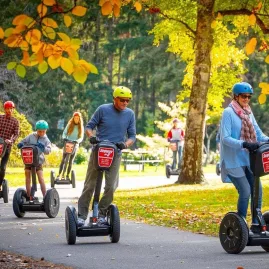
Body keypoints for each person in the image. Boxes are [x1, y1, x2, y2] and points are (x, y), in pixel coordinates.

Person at [77, 86, 136, 227]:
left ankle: (102, 214)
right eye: (122, 100)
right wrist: (91, 137)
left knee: (111, 186)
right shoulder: (103, 109)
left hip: (115, 153)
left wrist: (125, 144)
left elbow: (132, 136)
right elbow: (89, 127)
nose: (125, 103)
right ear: (115, 99)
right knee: (89, 185)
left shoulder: (130, 114)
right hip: (99, 150)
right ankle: (81, 216)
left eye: (128, 100)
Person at [220, 82, 269, 230]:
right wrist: (245, 144)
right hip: (233, 161)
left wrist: (267, 139)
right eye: (243, 96)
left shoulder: (248, 112)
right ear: (236, 96)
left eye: (249, 97)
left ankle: (256, 224)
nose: (246, 99)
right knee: (246, 191)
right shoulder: (228, 113)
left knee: (257, 192)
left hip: (249, 160)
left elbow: (258, 134)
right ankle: (239, 226)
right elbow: (225, 138)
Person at [17, 120, 51, 201]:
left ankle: (45, 197)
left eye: (43, 131)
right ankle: (29, 196)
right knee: (27, 177)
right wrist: (20, 144)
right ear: (36, 130)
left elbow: (48, 150)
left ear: (46, 130)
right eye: (40, 131)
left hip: (38, 162)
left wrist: (43, 148)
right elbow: (23, 142)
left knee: (41, 178)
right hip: (29, 160)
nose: (42, 133)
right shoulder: (31, 136)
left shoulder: (46, 139)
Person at [57, 112, 84, 180]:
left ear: (79, 119)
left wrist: (77, 141)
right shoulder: (69, 124)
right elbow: (64, 133)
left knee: (71, 160)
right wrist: (64, 138)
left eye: (77, 118)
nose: (76, 119)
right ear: (73, 118)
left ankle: (67, 175)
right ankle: (59, 174)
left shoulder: (81, 127)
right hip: (68, 143)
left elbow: (81, 137)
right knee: (63, 159)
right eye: (75, 118)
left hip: (75, 144)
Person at [0, 101, 19, 191]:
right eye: (8, 108)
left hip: (7, 147)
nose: (9, 110)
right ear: (5, 109)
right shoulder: (0, 118)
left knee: (3, 168)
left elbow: (16, 134)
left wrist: (11, 140)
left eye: (11, 109)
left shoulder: (15, 121)